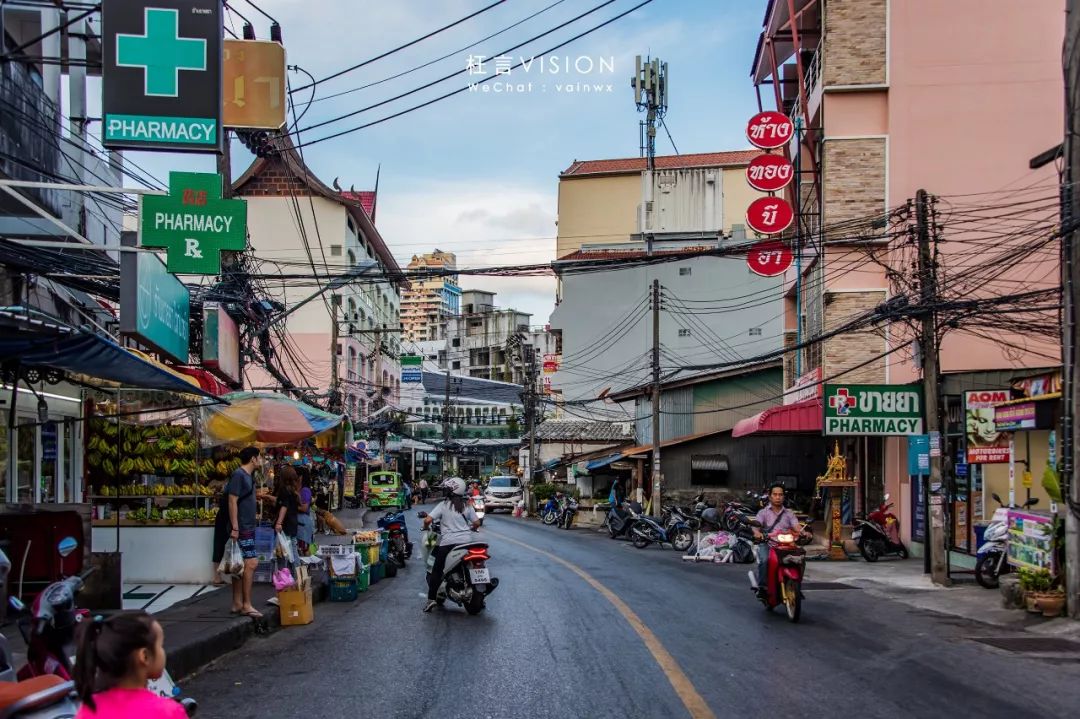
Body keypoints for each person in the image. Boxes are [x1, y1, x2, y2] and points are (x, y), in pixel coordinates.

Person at [73, 611, 185, 718]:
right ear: (144, 656)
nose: (162, 651)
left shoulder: (89, 708)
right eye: (160, 645)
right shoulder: (168, 711)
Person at [421, 477, 480, 613]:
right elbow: (476, 523)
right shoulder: (467, 505)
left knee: (436, 570)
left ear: (451, 491)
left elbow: (428, 520)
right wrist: (470, 528)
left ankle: (431, 600)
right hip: (467, 542)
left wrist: (425, 527)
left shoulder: (444, 505)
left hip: (449, 543)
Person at [227, 446, 263, 619]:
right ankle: (246, 604)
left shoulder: (248, 476)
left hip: (247, 526)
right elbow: (232, 501)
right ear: (253, 459)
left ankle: (237, 603)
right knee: (251, 563)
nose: (261, 460)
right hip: (242, 527)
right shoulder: (239, 475)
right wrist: (235, 527)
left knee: (239, 565)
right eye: (259, 457)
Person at [751, 483, 804, 597]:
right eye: (775, 494)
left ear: (783, 497)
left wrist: (804, 532)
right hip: (768, 543)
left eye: (780, 495)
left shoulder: (789, 513)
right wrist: (758, 533)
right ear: (770, 496)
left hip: (786, 544)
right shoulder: (763, 513)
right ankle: (763, 587)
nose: (778, 497)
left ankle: (796, 585)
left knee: (801, 558)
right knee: (765, 560)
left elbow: (796, 526)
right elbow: (756, 526)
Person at [274, 465, 301, 559]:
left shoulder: (284, 490)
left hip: (286, 524)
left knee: (287, 551)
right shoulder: (293, 491)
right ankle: (297, 571)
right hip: (293, 523)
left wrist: (278, 523)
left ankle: (289, 572)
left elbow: (284, 506)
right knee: (293, 548)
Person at [295, 466, 314, 555]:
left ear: (300, 477)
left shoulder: (305, 490)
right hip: (299, 523)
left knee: (304, 548)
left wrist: (291, 507)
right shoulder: (298, 489)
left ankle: (305, 568)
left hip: (303, 523)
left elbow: (304, 508)